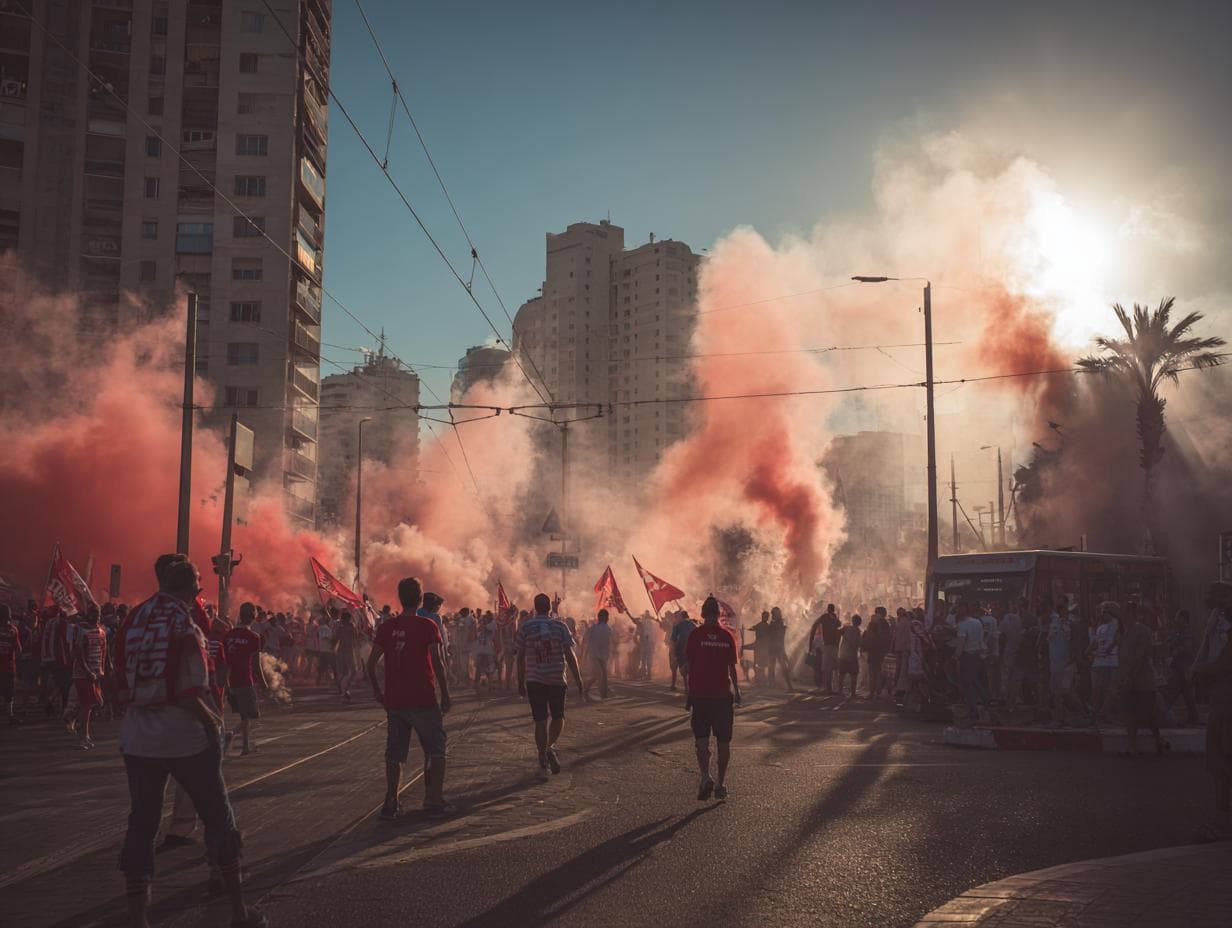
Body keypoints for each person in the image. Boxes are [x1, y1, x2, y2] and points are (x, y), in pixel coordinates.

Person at [115, 557, 264, 928]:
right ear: (192, 589)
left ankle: (137, 919)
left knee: (141, 824)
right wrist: (213, 724)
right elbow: (188, 693)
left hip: (137, 737)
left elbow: (117, 677)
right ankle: (239, 911)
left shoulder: (132, 618)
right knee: (219, 818)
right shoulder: (187, 624)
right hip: (184, 738)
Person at [367, 576, 453, 820]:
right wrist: (445, 693)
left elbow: (371, 664)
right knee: (436, 749)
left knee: (394, 753)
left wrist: (377, 692)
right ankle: (434, 800)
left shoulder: (386, 628)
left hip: (395, 701)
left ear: (400, 599)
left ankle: (391, 802)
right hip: (424, 698)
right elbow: (438, 662)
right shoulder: (428, 626)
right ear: (419, 599)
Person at [515, 593, 586, 780]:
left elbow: (520, 657)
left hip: (534, 679)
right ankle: (549, 747)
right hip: (556, 679)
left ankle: (542, 757)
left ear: (535, 607)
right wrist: (579, 679)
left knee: (540, 721)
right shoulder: (560, 626)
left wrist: (519, 681)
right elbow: (570, 655)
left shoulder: (526, 627)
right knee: (558, 717)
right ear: (549, 607)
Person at [686, 595, 741, 801]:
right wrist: (737, 692)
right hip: (722, 696)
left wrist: (689, 692)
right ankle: (720, 783)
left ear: (702, 614)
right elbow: (732, 668)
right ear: (718, 614)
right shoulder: (727, 637)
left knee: (701, 738)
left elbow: (689, 667)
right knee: (723, 741)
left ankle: (704, 776)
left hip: (700, 695)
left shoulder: (695, 635)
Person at [1192, 581, 1232, 842]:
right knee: (1219, 763)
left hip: (1227, 702)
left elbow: (1224, 663)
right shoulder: (1217, 622)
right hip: (1219, 701)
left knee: (1224, 760)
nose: (1209, 597)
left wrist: (1202, 671)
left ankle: (1221, 821)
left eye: (1216, 592)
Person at [1116, 599, 1169, 757]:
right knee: (1129, 714)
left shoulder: (1142, 630)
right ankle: (1132, 747)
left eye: (1123, 611)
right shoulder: (1123, 632)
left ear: (1130, 613)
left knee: (1146, 713)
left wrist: (1131, 676)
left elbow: (1140, 656)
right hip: (1126, 680)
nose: (1121, 614)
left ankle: (1158, 738)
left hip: (1143, 680)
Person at [223, 604, 267, 756]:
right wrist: (264, 684)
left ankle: (245, 747)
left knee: (244, 715)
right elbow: (256, 665)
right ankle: (231, 734)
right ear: (253, 617)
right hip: (245, 680)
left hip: (230, 681)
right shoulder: (254, 637)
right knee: (250, 715)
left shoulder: (228, 635)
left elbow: (224, 661)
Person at [67, 605, 107, 749]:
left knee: (93, 704)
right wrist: (88, 671)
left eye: (97, 613)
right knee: (87, 705)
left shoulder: (102, 631)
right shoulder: (81, 630)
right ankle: (82, 737)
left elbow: (104, 651)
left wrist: (102, 669)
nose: (95, 616)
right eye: (92, 613)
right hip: (82, 674)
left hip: (95, 674)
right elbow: (78, 653)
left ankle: (74, 720)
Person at [1088, 601, 1121, 728]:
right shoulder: (1101, 627)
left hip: (1112, 662)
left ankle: (1103, 715)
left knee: (1111, 691)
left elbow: (1118, 639)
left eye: (1104, 611)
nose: (1101, 614)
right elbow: (1095, 642)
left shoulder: (1117, 624)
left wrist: (1110, 649)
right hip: (1099, 662)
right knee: (1097, 690)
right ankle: (1097, 715)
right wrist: (1087, 652)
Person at [954, 602, 987, 725]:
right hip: (977, 655)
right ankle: (985, 706)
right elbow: (981, 639)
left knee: (967, 685)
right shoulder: (977, 622)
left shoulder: (963, 625)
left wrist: (956, 656)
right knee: (976, 682)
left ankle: (973, 712)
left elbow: (961, 643)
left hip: (967, 656)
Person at [999, 600, 1025, 710]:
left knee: (1008, 678)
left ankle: (1010, 702)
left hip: (1009, 653)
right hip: (1019, 653)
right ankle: (1014, 701)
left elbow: (1002, 637)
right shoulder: (1019, 619)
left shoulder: (1006, 620)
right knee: (1016, 679)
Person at [862, 607, 891, 700]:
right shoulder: (886, 624)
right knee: (879, 671)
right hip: (881, 651)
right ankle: (877, 693)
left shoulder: (873, 623)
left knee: (872, 672)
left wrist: (865, 647)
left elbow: (868, 637)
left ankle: (872, 692)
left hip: (873, 650)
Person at [0, 604, 23, 725]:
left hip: (8, 667)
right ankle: (9, 715)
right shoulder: (13, 629)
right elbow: (19, 650)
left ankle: (10, 715)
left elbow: (18, 649)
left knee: (9, 693)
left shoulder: (13, 630)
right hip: (8, 667)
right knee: (8, 692)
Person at [584, 609, 614, 699]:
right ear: (602, 617)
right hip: (595, 655)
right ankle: (589, 689)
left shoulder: (603, 628)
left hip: (601, 655)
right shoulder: (596, 628)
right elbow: (587, 640)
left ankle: (602, 693)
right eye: (607, 617)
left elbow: (609, 642)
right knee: (600, 674)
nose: (608, 618)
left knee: (602, 675)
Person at [334, 611, 360, 700]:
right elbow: (355, 639)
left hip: (343, 652)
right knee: (352, 672)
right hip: (346, 652)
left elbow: (335, 639)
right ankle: (344, 689)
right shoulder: (348, 628)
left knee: (346, 672)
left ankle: (343, 688)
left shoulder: (342, 628)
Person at [670, 610, 697, 693]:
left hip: (680, 650)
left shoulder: (677, 626)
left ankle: (681, 686)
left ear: (681, 617)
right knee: (689, 669)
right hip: (691, 650)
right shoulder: (693, 625)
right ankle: (688, 687)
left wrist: (672, 652)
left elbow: (673, 640)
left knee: (677, 668)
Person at [818, 604, 841, 695]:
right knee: (829, 667)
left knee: (831, 667)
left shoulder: (831, 617)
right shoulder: (827, 617)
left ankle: (831, 687)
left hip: (831, 644)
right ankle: (829, 687)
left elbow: (838, 625)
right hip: (829, 644)